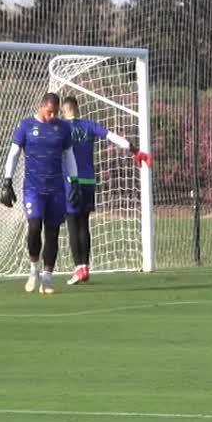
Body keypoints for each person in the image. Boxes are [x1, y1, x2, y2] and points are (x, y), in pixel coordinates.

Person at [59, 96, 153, 285]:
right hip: (89, 181)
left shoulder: (61, 128)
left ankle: (79, 268)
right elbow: (113, 137)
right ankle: (85, 268)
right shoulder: (89, 125)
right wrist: (136, 151)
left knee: (73, 224)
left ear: (64, 110)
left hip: (71, 181)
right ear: (77, 108)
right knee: (84, 224)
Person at [0, 92, 81, 294]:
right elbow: (14, 153)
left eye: (55, 112)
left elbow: (69, 156)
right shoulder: (26, 126)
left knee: (52, 232)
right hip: (33, 189)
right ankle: (33, 269)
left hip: (56, 189)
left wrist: (75, 181)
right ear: (41, 106)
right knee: (35, 226)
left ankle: (47, 278)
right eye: (49, 112)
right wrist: (7, 181)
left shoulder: (63, 128)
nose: (52, 116)